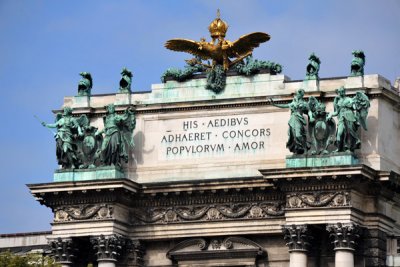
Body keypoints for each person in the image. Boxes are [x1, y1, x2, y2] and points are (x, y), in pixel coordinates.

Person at [270, 89, 311, 154]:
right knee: (294, 136)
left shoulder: (304, 103)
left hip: (299, 119)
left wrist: (311, 117)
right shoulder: (293, 103)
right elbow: (284, 106)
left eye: (298, 94)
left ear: (301, 95)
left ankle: (305, 147)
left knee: (298, 135)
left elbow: (309, 111)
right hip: (293, 120)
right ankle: (298, 148)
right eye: (297, 94)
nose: (296, 95)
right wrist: (274, 104)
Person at [327, 87, 360, 152]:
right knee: (339, 133)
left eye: (342, 91)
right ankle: (339, 148)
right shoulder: (338, 102)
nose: (340, 93)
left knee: (349, 132)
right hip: (341, 118)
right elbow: (336, 112)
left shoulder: (349, 99)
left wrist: (353, 104)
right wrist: (330, 115)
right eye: (339, 92)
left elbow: (354, 108)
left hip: (349, 116)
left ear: (344, 92)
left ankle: (348, 147)